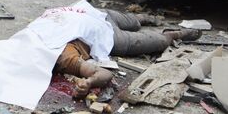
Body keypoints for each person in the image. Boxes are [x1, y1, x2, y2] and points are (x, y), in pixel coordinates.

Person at [55, 11, 199, 97]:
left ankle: (174, 34)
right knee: (132, 22)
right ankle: (142, 18)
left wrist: (89, 82)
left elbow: (105, 74)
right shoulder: (35, 35)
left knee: (158, 42)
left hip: (103, 29)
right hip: (88, 12)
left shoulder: (62, 56)